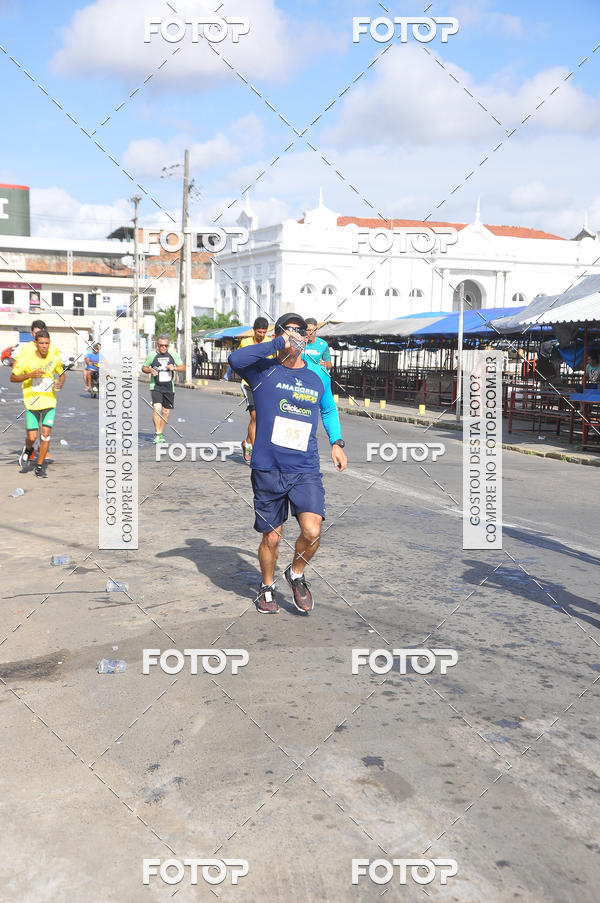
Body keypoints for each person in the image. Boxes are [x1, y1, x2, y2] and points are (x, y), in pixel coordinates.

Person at [228, 312, 347, 615]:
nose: (295, 335)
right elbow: (235, 359)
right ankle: (267, 586)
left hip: (304, 467)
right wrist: (278, 342)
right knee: (271, 536)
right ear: (278, 334)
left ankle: (295, 573)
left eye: (300, 331)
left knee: (312, 530)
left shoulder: (317, 375)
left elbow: (329, 409)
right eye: (288, 330)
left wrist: (336, 442)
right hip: (268, 466)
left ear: (308, 337)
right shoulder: (262, 370)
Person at [11, 329, 65, 478]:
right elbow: (13, 378)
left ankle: (40, 466)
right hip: (32, 403)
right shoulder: (26, 359)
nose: (44, 346)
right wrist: (29, 375)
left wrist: (60, 383)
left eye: (47, 343)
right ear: (35, 343)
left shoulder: (54, 358)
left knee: (46, 434)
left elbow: (62, 373)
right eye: (41, 343)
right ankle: (28, 448)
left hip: (49, 403)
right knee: (33, 437)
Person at [238, 317, 272, 463]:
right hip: (248, 383)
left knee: (263, 418)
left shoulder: (269, 342)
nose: (261, 334)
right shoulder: (245, 343)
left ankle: (247, 442)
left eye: (264, 332)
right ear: (254, 329)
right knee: (254, 416)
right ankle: (257, 452)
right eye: (259, 332)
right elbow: (238, 360)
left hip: (264, 384)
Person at [141, 336, 185, 444]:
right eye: (161, 345)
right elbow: (144, 368)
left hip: (169, 387)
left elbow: (183, 367)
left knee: (166, 412)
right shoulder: (152, 355)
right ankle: (157, 434)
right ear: (157, 345)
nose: (164, 347)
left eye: (166, 345)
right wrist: (150, 370)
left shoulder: (172, 354)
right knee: (157, 409)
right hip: (155, 386)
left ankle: (160, 432)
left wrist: (174, 368)